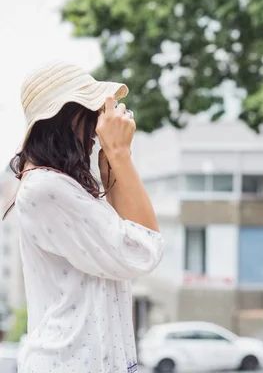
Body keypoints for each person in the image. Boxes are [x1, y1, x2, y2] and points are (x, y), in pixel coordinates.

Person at [5, 61, 165, 373]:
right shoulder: (47, 189)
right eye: (90, 110)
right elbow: (143, 251)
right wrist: (121, 156)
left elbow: (127, 234)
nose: (97, 122)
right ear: (65, 118)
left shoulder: (60, 185)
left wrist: (112, 166)